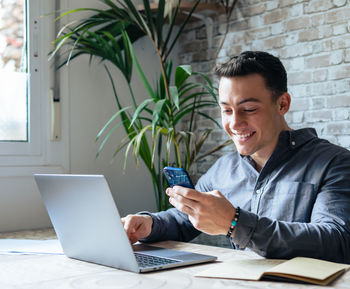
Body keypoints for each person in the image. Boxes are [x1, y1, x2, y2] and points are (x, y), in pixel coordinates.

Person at [122, 51, 350, 264]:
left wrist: (235, 223)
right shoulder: (224, 168)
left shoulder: (335, 163)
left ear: (282, 104)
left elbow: (336, 240)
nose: (234, 124)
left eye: (249, 109)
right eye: (227, 110)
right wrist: (149, 224)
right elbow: (185, 218)